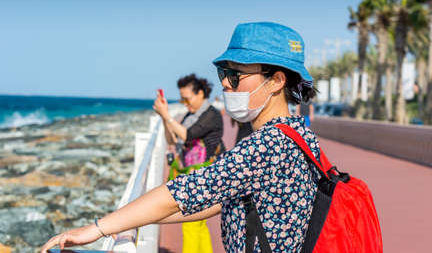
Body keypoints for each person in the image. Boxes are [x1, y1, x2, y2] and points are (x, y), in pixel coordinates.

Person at [40, 22, 320, 253]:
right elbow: (212, 200)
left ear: (276, 81)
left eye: (235, 75)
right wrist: (126, 222)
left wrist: (96, 229)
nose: (224, 82)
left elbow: (182, 193)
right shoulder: (300, 136)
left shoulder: (267, 145)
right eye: (224, 72)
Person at [154, 73, 225, 253]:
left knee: (190, 224)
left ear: (200, 93)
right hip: (192, 176)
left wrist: (168, 116)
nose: (185, 103)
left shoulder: (212, 115)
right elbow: (172, 140)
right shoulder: (189, 115)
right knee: (198, 225)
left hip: (204, 176)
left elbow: (188, 135)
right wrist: (164, 118)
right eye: (182, 99)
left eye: (187, 99)